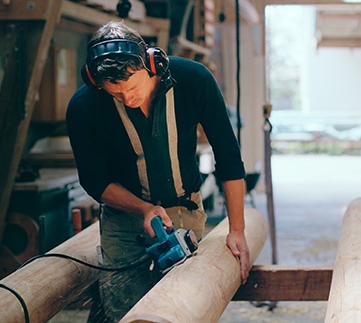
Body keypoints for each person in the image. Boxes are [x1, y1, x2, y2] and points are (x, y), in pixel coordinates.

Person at [66, 21, 250, 322]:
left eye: (133, 87)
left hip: (184, 212)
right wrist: (144, 209)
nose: (128, 99)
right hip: (124, 220)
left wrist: (237, 230)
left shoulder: (193, 80)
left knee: (184, 308)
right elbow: (94, 180)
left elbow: (229, 159)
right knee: (122, 310)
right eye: (116, 93)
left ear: (152, 63)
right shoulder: (84, 106)